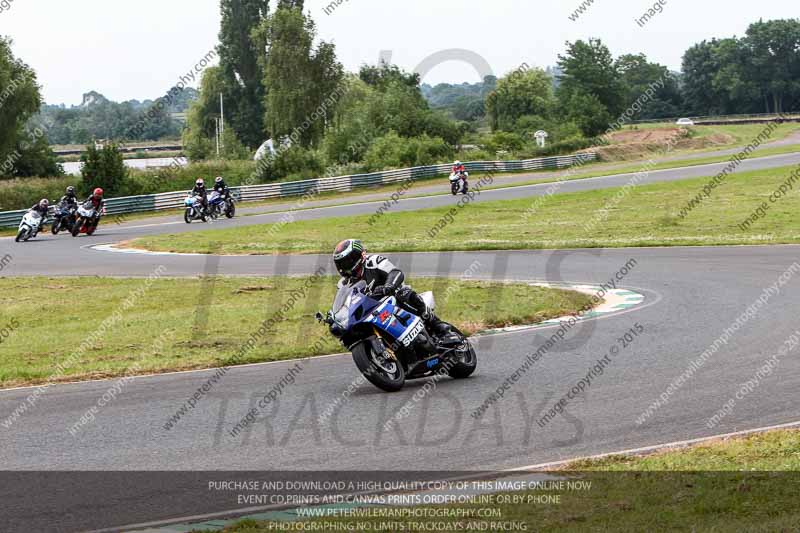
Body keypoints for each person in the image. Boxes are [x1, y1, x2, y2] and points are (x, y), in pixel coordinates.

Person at [332, 239, 451, 338]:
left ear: (358, 256)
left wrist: (388, 286)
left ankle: (438, 325)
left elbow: (395, 272)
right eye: (341, 264)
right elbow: (343, 303)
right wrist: (334, 316)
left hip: (392, 296)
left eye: (347, 261)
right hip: (372, 310)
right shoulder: (343, 283)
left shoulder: (373, 261)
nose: (344, 267)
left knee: (403, 293)